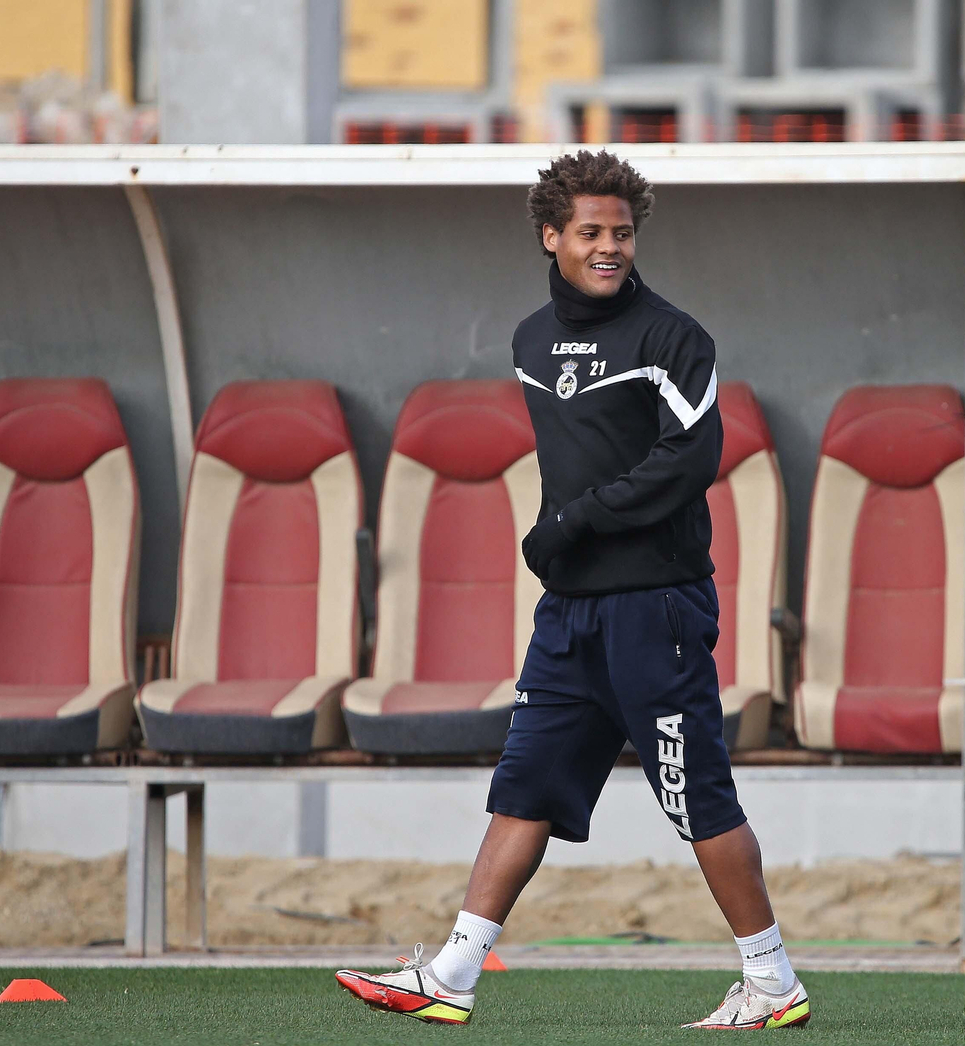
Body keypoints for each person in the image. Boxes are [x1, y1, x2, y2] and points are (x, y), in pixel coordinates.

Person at [335, 150, 810, 1031]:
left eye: (621, 233)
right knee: (526, 785)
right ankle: (452, 974)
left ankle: (772, 981)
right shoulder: (528, 341)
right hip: (568, 616)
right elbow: (574, 459)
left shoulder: (674, 338)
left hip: (656, 608)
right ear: (550, 236)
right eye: (590, 232)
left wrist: (575, 522)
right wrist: (559, 539)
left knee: (695, 795)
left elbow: (690, 461)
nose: (609, 247)